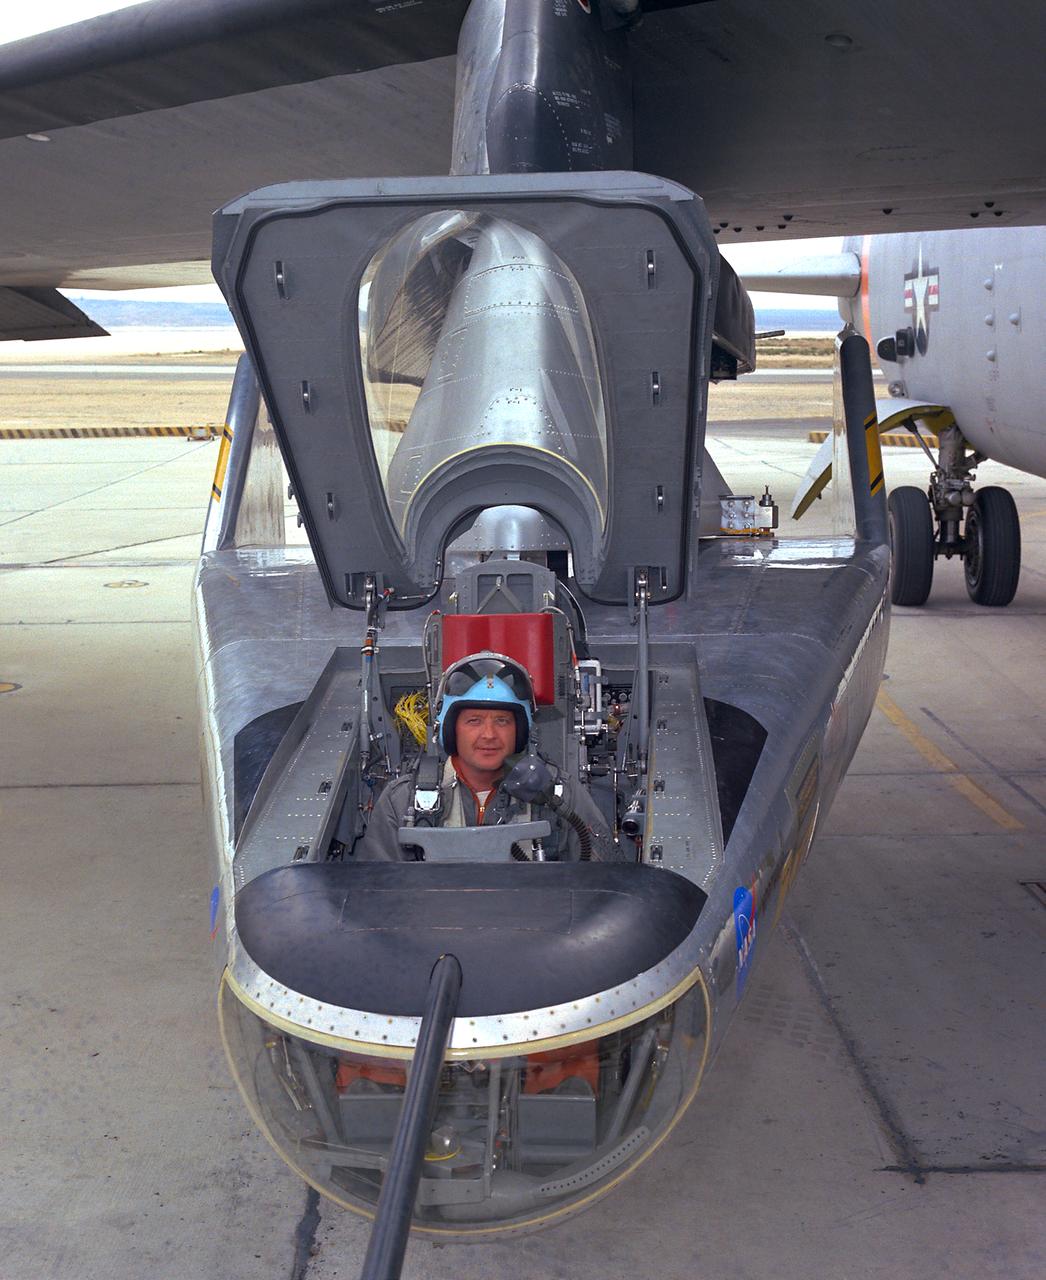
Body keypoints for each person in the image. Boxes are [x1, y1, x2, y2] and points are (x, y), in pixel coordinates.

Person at [355, 653, 613, 861]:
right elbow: (375, 897)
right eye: (474, 721)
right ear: (451, 729)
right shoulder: (401, 802)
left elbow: (608, 884)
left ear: (521, 731)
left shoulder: (560, 797)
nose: (489, 735)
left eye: (502, 721)